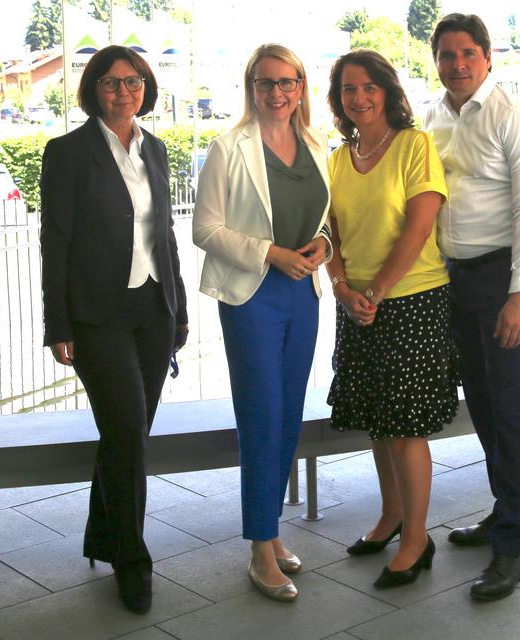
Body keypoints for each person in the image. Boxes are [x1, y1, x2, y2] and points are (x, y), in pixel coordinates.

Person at [40, 45, 188, 614]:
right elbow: (56, 241)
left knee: (128, 437)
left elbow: (165, 235)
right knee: (127, 434)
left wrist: (178, 310)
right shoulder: (67, 153)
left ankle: (102, 534)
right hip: (97, 315)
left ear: (146, 87)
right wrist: (58, 323)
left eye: (133, 81)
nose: (124, 91)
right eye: (110, 82)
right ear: (92, 89)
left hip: (153, 311)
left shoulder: (156, 148)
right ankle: (132, 558)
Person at [192, 43, 331, 602]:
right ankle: (259, 547)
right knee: (261, 415)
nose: (277, 93)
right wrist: (271, 252)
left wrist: (322, 242)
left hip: (304, 294)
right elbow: (206, 229)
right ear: (251, 88)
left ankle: (271, 534)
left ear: (301, 87)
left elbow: (326, 217)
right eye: (266, 82)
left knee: (290, 415)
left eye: (288, 82)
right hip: (251, 294)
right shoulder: (229, 148)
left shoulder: (318, 146)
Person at [424, 13, 520, 601]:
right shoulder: (432, 117)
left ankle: (511, 542)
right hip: (457, 279)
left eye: (467, 53)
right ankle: (507, 510)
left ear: (489, 56)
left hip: (506, 276)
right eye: (447, 54)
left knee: (508, 404)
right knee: (480, 401)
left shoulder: (510, 114)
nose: (457, 64)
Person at [325, 49, 459, 590]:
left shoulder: (414, 145)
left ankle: (416, 539)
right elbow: (327, 230)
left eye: (367, 87)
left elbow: (420, 227)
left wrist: (376, 290)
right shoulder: (337, 157)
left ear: (387, 90)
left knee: (405, 428)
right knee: (379, 424)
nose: (358, 98)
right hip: (358, 304)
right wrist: (341, 288)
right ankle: (390, 515)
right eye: (347, 90)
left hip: (412, 300)